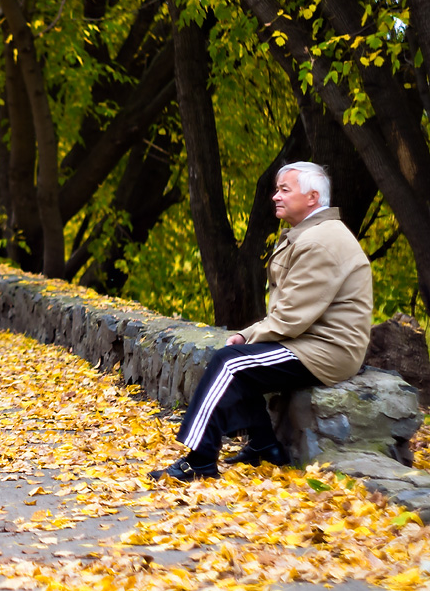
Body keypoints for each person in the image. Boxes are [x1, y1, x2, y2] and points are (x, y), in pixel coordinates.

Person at [150, 161, 373, 481]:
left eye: (285, 190)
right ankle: (265, 445)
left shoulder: (321, 241)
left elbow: (292, 317)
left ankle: (199, 460)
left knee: (230, 363)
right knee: (238, 362)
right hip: (309, 341)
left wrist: (248, 336)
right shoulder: (309, 234)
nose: (275, 196)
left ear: (312, 197)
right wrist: (248, 335)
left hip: (327, 350)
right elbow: (290, 311)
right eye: (277, 189)